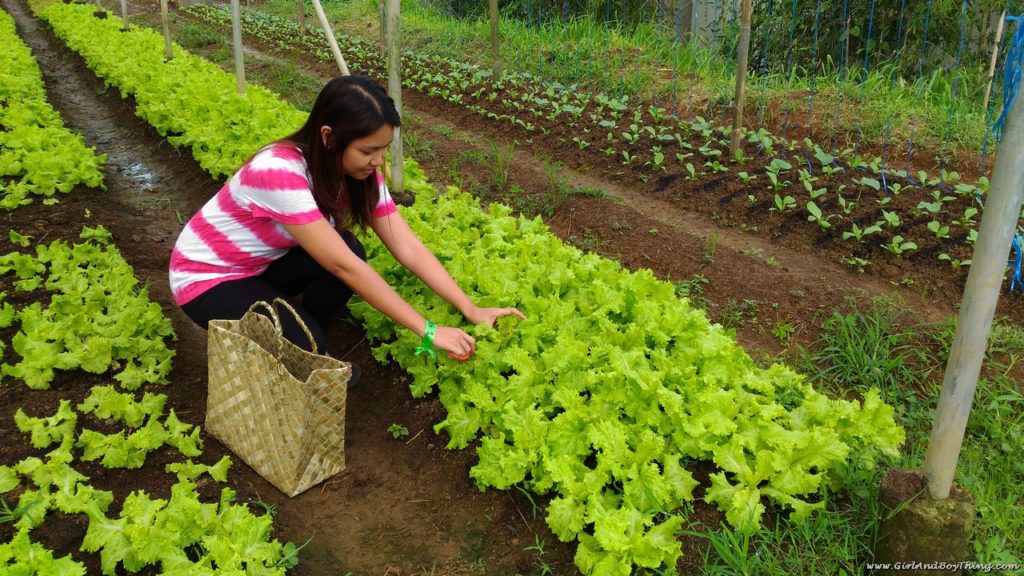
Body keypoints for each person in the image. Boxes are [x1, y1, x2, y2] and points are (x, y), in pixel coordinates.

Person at [168, 75, 524, 384]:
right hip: (207, 279)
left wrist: (471, 308)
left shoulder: (360, 175)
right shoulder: (279, 171)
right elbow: (342, 267)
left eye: (384, 149)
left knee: (349, 247)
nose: (378, 160)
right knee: (311, 342)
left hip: (259, 268)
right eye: (368, 150)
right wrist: (428, 331)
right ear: (328, 136)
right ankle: (300, 346)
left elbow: (406, 246)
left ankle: (300, 337)